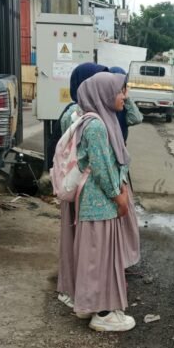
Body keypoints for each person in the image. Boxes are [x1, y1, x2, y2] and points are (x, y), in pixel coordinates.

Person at [58, 72, 140, 332]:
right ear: (104, 94)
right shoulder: (96, 126)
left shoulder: (94, 120)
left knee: (94, 256)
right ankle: (103, 313)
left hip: (94, 204)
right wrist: (119, 197)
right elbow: (103, 168)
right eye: (120, 91)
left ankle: (90, 304)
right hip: (99, 204)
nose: (124, 96)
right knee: (100, 258)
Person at [108, 66, 143, 142]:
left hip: (121, 146)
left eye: (123, 86)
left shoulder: (123, 105)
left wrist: (127, 99)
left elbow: (136, 119)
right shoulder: (103, 104)